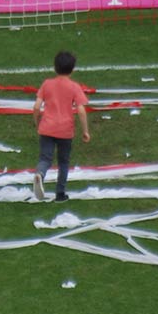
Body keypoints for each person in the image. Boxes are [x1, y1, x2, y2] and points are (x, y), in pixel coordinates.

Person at [31, 50, 90, 202]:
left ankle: (40, 174)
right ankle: (60, 193)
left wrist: (36, 121)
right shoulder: (74, 87)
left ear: (55, 67)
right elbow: (81, 110)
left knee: (45, 159)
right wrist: (85, 131)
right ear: (72, 69)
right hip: (65, 130)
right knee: (63, 162)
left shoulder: (47, 84)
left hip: (47, 127)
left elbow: (37, 106)